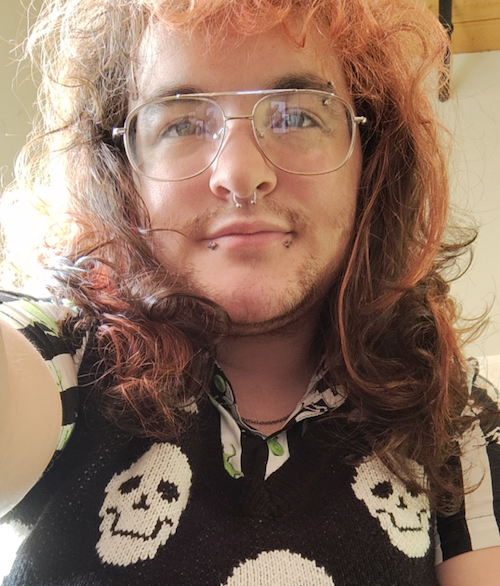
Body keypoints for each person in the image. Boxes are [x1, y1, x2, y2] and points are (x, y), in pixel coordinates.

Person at [0, 0, 499, 584]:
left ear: (370, 156)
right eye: (181, 124)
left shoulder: (455, 410)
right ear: (124, 173)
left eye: (296, 116)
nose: (239, 173)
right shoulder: (67, 353)